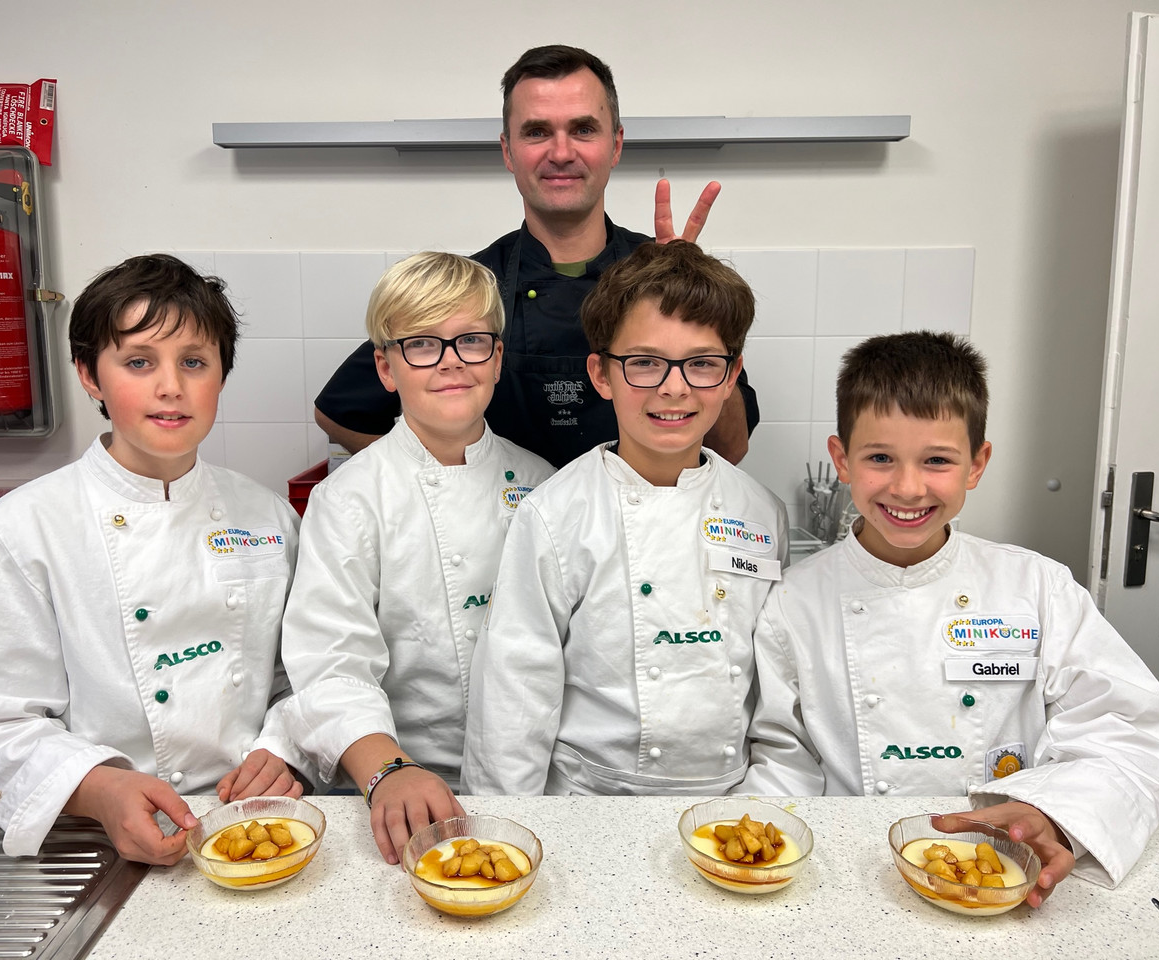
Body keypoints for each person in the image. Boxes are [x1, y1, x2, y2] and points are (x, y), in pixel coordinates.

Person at [742, 330, 1159, 904]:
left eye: (938, 460)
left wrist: (1052, 812)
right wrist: (759, 848)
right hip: (847, 872)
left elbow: (1128, 728)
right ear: (842, 460)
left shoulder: (1036, 587)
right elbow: (784, 757)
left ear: (977, 463)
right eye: (880, 458)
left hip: (1000, 866)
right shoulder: (795, 603)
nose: (908, 487)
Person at [0, 254, 315, 864]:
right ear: (89, 375)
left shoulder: (266, 517)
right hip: (97, 840)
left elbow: (305, 676)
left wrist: (283, 749)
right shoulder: (19, 531)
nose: (171, 386)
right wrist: (97, 787)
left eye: (194, 362)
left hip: (257, 829)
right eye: (138, 362)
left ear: (221, 376)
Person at [314, 44, 758, 468]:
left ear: (616, 145)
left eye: (583, 129)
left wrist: (689, 298)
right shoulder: (469, 288)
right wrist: (447, 487)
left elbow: (731, 448)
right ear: (508, 150)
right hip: (505, 521)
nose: (561, 153)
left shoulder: (662, 275)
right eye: (537, 132)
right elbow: (339, 412)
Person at [462, 240, 787, 796]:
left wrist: (766, 806)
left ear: (731, 375)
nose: (674, 387)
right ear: (601, 374)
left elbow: (778, 693)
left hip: (730, 807)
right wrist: (509, 824)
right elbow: (516, 691)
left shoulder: (761, 512)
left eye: (702, 364)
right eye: (644, 363)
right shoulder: (555, 514)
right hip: (587, 803)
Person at [281, 252, 555, 864]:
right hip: (393, 781)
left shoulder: (543, 484)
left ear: (497, 357)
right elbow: (332, 661)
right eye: (423, 345)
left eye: (471, 341)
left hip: (532, 780)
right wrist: (388, 768)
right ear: (386, 367)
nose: (452, 361)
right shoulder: (349, 499)